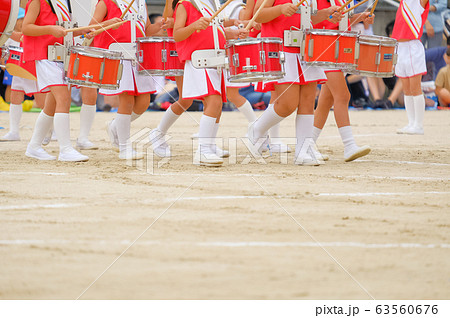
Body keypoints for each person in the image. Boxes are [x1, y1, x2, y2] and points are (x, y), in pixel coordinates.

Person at [251, 0, 342, 166]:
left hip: (305, 46)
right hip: (279, 46)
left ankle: (303, 151)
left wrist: (327, 13)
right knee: (287, 103)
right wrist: (280, 9)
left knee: (308, 100)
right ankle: (257, 129)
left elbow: (307, 19)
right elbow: (258, 15)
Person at [173, 0, 248, 166]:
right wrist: (193, 26)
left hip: (215, 60)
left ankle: (210, 145)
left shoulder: (212, 4)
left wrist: (234, 33)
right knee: (213, 101)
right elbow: (176, 34)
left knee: (217, 105)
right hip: (199, 59)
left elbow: (216, 31)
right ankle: (203, 149)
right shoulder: (185, 4)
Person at [22, 0, 94, 161]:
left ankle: (34, 146)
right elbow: (26, 28)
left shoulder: (66, 2)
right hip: (45, 55)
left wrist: (84, 30)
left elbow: (65, 30)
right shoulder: (37, 1)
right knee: (64, 98)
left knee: (52, 104)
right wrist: (49, 29)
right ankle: (65, 149)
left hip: (61, 55)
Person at [94, 0, 160, 160]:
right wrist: (109, 23)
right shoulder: (106, 2)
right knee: (127, 100)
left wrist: (159, 27)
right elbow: (92, 28)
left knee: (144, 102)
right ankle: (124, 147)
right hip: (119, 56)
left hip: (138, 56)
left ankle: (115, 126)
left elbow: (146, 30)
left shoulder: (140, 3)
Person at [313, 0, 373, 162]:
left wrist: (361, 17)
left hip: (337, 48)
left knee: (326, 100)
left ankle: (308, 144)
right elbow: (313, 19)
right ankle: (349, 145)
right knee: (343, 95)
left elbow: (342, 21)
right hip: (325, 46)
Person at [392, 0, 430, 135]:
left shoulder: (419, 2)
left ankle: (418, 125)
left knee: (415, 88)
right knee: (407, 89)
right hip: (400, 47)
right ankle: (411, 123)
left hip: (412, 46)